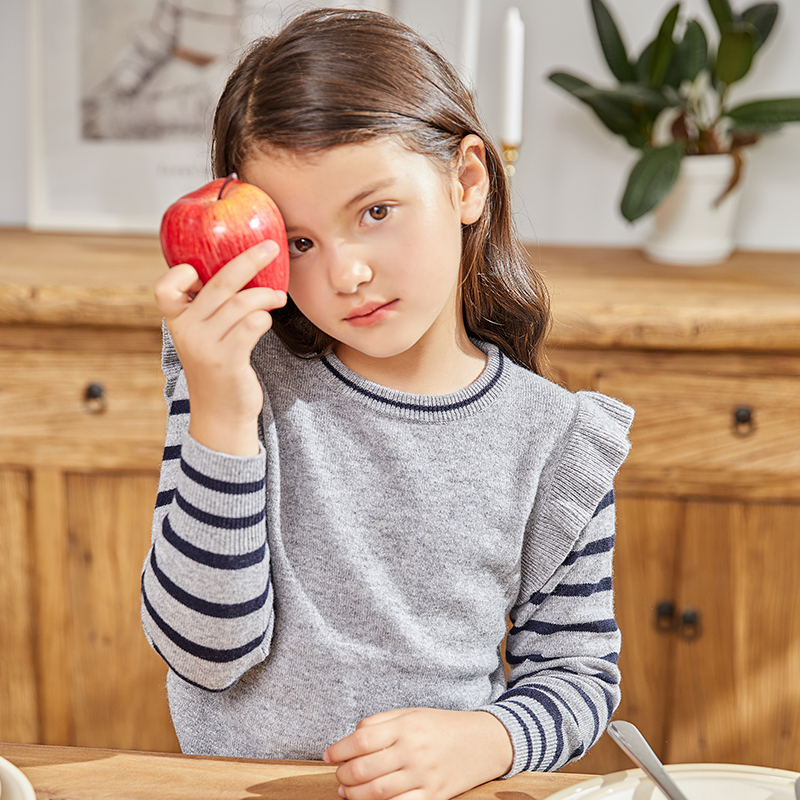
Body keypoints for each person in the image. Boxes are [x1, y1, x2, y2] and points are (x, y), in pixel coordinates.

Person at [141, 8, 634, 800]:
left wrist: (491, 738)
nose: (346, 274)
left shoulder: (556, 440)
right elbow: (204, 651)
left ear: (467, 180)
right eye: (298, 241)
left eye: (375, 212)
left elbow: (578, 677)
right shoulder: (233, 374)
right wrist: (223, 419)